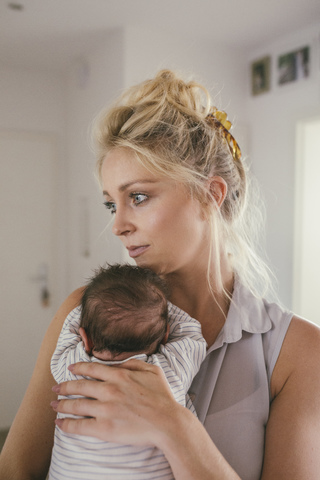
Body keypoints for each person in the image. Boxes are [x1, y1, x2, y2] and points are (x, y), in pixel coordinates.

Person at [1, 69, 320, 480]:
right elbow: (15, 470)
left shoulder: (300, 354)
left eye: (138, 196)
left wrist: (175, 425)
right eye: (111, 205)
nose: (118, 226)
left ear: (211, 194)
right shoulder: (83, 313)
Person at [49, 263, 206, 479]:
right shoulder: (169, 372)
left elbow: (70, 328)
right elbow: (192, 335)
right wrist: (160, 308)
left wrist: (93, 311)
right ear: (166, 335)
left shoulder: (71, 366)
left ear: (85, 338)